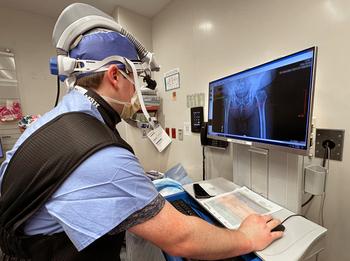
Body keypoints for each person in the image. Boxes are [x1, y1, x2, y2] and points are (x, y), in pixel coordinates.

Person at [0, 3, 283, 261]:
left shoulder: (49, 122)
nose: (138, 93)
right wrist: (245, 237)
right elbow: (182, 240)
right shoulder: (102, 156)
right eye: (136, 80)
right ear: (114, 76)